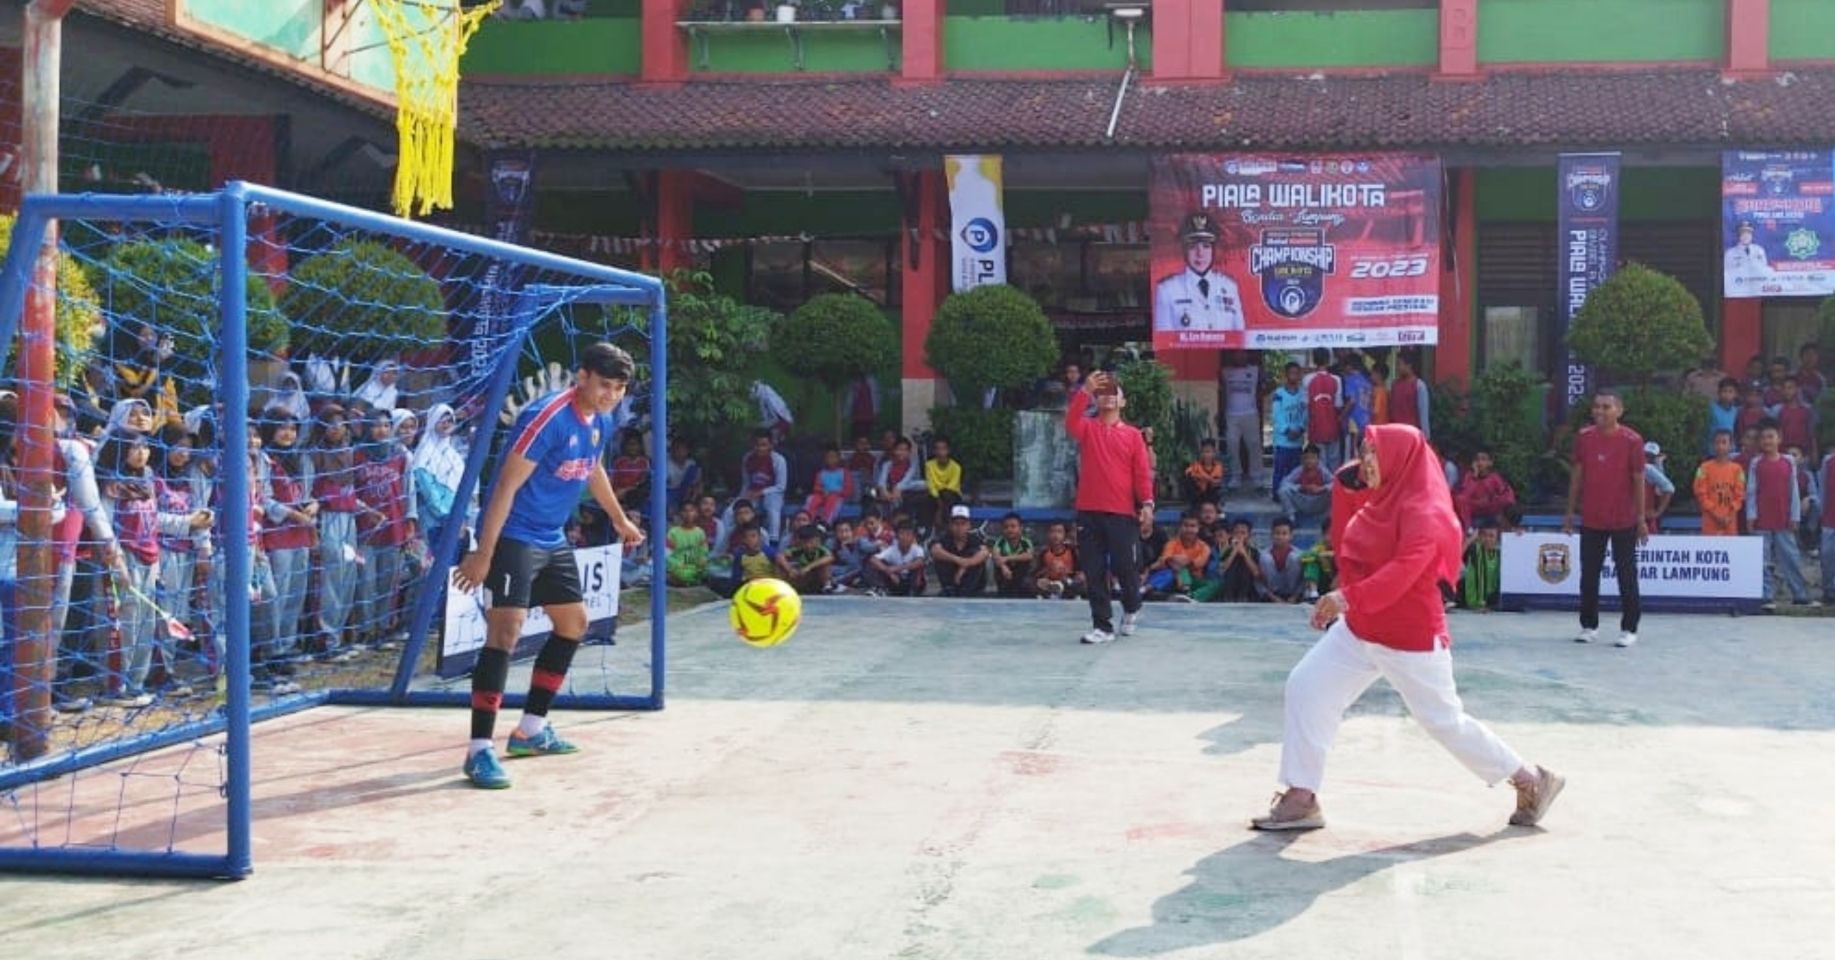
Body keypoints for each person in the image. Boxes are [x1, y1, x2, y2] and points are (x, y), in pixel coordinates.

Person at [1252, 423, 1565, 832]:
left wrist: (1344, 598)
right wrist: (1350, 490)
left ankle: (1531, 780)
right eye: (1363, 451)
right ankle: (1301, 796)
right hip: (1362, 627)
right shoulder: (1378, 494)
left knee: (1443, 720)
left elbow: (1403, 572)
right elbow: (1348, 542)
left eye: (1372, 453)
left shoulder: (1426, 511)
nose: (1364, 461)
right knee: (1307, 686)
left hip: (1410, 635)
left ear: (1399, 460)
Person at [449, 343, 643, 791]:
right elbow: (504, 488)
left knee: (573, 623)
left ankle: (531, 729)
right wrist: (483, 554)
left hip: (551, 536)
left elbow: (592, 468)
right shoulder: (547, 417)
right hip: (514, 533)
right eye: (603, 385)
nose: (610, 395)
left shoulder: (602, 419)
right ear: (582, 377)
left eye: (618, 388)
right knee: (506, 633)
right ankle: (479, 750)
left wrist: (618, 518)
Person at [1064, 370, 1154, 644]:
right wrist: (1084, 392)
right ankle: (1102, 626)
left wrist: (1147, 504)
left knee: (1125, 567)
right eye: (1103, 394)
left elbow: (1141, 472)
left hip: (1121, 512)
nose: (1109, 398)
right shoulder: (1088, 428)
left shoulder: (1132, 435)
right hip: (1089, 510)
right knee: (1093, 570)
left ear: (1122, 402)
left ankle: (1132, 605)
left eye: (1114, 393)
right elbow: (1070, 424)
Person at [1562, 389, 1646, 648]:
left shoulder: (1632, 440)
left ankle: (1629, 628)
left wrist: (1641, 518)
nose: (1599, 411)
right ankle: (1589, 625)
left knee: (1626, 575)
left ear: (1619, 410)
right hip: (1592, 518)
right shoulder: (1584, 438)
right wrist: (1569, 511)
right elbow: (1577, 475)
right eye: (1596, 406)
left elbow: (1639, 481)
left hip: (1623, 519)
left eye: (1606, 407)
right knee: (1589, 575)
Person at [309, 406, 362, 661]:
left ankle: (338, 635)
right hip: (327, 519)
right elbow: (310, 493)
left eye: (341, 423)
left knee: (347, 576)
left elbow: (350, 492)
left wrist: (368, 511)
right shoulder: (315, 456)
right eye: (331, 424)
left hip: (348, 519)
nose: (336, 428)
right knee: (330, 578)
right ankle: (326, 639)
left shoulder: (350, 455)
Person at [1746, 422, 1815, 611]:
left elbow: (1793, 490)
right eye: (1763, 438)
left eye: (1771, 436)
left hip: (1784, 519)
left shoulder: (1788, 461)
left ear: (1779, 439)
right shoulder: (1756, 463)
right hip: (1762, 520)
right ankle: (1765, 595)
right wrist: (1751, 515)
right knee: (1762, 560)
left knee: (1790, 557)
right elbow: (1752, 491)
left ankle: (1800, 594)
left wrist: (1795, 516)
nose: (1767, 441)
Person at [1153, 211, 1243, 339]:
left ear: (1213, 251)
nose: (1200, 253)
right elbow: (1165, 340)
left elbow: (1240, 336)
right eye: (1193, 247)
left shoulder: (1229, 287)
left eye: (1206, 246)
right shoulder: (1167, 290)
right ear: (1184, 250)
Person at [734, 429, 788, 544]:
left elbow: (781, 486)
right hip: (753, 493)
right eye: (757, 445)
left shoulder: (778, 460)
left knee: (772, 509)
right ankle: (736, 538)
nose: (760, 448)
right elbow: (746, 483)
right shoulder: (747, 458)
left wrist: (762, 492)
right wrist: (741, 497)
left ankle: (773, 541)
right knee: (734, 509)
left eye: (764, 445)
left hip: (773, 493)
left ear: (771, 445)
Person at [1219, 351, 1263, 491]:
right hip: (1232, 414)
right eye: (1237, 354)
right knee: (1232, 444)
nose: (1239, 356)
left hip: (1250, 413)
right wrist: (1221, 411)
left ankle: (1256, 476)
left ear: (1247, 355)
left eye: (1242, 354)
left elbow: (1270, 382)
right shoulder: (1225, 372)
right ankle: (1235, 476)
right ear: (1232, 356)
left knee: (1254, 444)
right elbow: (1221, 392)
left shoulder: (1255, 370)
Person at [1145, 514, 1211, 602]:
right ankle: (1184, 593)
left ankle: (1192, 597)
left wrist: (1182, 561)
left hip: (1195, 579)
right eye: (1185, 525)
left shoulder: (1204, 547)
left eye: (1192, 526)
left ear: (1199, 528)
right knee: (1176, 571)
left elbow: (1199, 563)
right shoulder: (1171, 544)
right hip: (1174, 579)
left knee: (1217, 584)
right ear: (1180, 527)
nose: (1189, 529)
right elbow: (1165, 560)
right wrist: (1175, 562)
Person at [1693, 430, 1746, 537]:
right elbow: (1700, 493)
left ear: (1731, 445)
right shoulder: (1704, 468)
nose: (1720, 446)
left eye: (1724, 442)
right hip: (1710, 521)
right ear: (1713, 445)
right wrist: (1715, 514)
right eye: (1717, 443)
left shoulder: (1737, 469)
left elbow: (1739, 495)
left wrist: (1729, 515)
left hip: (1729, 522)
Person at [1195, 518, 1260, 603]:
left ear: (1249, 535)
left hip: (1247, 590)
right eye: (1237, 532)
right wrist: (1234, 551)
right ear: (1232, 534)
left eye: (1243, 533)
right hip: (1228, 588)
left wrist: (1244, 554)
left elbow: (1256, 573)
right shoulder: (1226, 550)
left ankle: (1243, 598)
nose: (1239, 536)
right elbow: (1222, 570)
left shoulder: (1253, 551)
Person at [1269, 362, 1308, 506]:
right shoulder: (1279, 393)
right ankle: (1277, 494)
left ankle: (1292, 495)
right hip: (1282, 440)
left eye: (1297, 373)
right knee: (1279, 469)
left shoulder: (1303, 394)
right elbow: (1276, 414)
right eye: (1291, 373)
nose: (1294, 376)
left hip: (1297, 440)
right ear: (1286, 375)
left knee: (1295, 471)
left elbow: (1305, 413)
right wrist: (1286, 430)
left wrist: (1301, 429)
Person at [929, 504, 989, 598]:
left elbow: (984, 553)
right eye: (956, 523)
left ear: (969, 525)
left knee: (977, 561)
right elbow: (935, 550)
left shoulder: (974, 539)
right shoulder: (945, 538)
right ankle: (949, 588)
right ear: (950, 525)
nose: (959, 527)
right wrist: (959, 560)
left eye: (963, 524)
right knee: (941, 559)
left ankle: (968, 591)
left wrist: (966, 564)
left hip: (972, 586)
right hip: (952, 580)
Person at [1303, 350, 1345, 473]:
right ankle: (1333, 489)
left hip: (1315, 427)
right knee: (1334, 461)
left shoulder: (1307, 379)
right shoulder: (1336, 380)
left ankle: (1321, 488)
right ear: (1328, 360)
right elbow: (1339, 405)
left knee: (1318, 461)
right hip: (1333, 426)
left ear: (1314, 360)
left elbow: (1305, 404)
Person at [1454, 450, 1517, 530]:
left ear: (1490, 463)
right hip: (1474, 514)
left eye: (1483, 459)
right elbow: (1464, 497)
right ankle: (1468, 531)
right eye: (1477, 460)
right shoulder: (1469, 477)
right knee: (1460, 500)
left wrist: (1492, 502)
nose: (1480, 463)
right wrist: (1475, 477)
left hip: (1492, 512)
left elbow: (1507, 497)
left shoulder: (1495, 478)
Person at [872, 437, 928, 520]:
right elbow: (881, 482)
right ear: (894, 451)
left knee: (924, 485)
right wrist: (885, 491)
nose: (901, 453)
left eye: (905, 450)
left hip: (909, 491)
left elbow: (908, 480)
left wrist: (898, 487)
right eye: (899, 449)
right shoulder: (888, 464)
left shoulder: (913, 464)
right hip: (891, 492)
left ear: (909, 452)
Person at [866, 521, 927, 597]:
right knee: (876, 564)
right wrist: (889, 571)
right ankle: (881, 589)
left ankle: (912, 592)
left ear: (913, 537)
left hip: (913, 582)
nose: (904, 537)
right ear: (897, 536)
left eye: (908, 534)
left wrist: (896, 569)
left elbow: (920, 562)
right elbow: (873, 559)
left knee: (919, 567)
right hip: (897, 582)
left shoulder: (917, 549)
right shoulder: (892, 550)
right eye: (901, 534)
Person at [1278, 444, 1333, 526]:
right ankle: (1291, 519)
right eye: (1306, 458)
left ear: (1318, 460)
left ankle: (1330, 519)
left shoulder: (1323, 471)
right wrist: (1301, 487)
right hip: (1303, 502)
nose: (1309, 461)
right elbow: (1284, 483)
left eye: (1312, 458)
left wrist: (1322, 488)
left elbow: (1336, 483)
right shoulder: (1299, 470)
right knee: (1282, 491)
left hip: (1319, 502)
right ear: (1302, 459)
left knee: (1336, 491)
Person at [1457, 519, 1504, 612]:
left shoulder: (1500, 552)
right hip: (1470, 596)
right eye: (1484, 535)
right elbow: (1455, 556)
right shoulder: (1475, 549)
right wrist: (1470, 540)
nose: (1487, 539)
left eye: (1491, 536)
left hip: (1490, 597)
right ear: (1479, 536)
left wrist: (1517, 536)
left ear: (1497, 538)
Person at [776, 523, 835, 596]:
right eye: (805, 542)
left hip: (816, 578)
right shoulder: (797, 549)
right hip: (802, 577)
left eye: (811, 542)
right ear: (800, 541)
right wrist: (790, 569)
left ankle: (827, 587)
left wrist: (809, 567)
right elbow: (779, 556)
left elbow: (830, 557)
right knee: (780, 566)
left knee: (825, 566)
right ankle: (782, 588)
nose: (808, 545)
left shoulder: (821, 549)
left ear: (817, 540)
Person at [803, 444, 854, 526]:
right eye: (828, 457)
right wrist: (822, 491)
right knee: (812, 498)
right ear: (825, 459)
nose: (831, 459)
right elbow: (816, 487)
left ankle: (826, 523)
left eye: (834, 457)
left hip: (838, 497)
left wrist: (834, 493)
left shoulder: (844, 472)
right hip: (823, 495)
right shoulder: (821, 473)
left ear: (839, 458)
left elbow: (848, 490)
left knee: (832, 499)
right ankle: (806, 521)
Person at [1259, 516, 1305, 605]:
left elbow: (1303, 580)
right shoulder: (1263, 554)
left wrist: (1295, 596)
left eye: (1284, 534)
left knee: (1294, 558)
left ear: (1291, 536)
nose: (1280, 537)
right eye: (1277, 533)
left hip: (1293, 594)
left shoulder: (1299, 554)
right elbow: (1258, 581)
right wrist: (1273, 597)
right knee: (1266, 559)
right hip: (1272, 595)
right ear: (1271, 535)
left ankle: (1292, 595)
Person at [1386, 350, 1431, 440]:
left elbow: (1423, 415)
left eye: (1399, 364)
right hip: (1396, 433)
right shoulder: (1395, 385)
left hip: (1412, 435)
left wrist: (1425, 438)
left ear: (1409, 365)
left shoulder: (1419, 386)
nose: (1397, 367)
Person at [990, 512, 1036, 598]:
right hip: (1005, 574)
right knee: (998, 566)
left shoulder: (1025, 541)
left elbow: (1029, 555)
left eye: (1013, 526)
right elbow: (996, 555)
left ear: (1021, 528)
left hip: (1020, 573)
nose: (1009, 529)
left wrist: (1007, 558)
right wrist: (1004, 566)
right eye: (1006, 527)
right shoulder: (1000, 541)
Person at [923, 435, 964, 533]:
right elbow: (931, 485)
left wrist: (940, 510)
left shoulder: (956, 467)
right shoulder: (929, 465)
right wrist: (939, 504)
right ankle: (926, 530)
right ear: (934, 451)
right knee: (925, 499)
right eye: (937, 449)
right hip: (936, 497)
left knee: (947, 495)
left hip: (952, 496)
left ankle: (948, 526)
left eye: (943, 449)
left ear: (948, 451)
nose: (940, 452)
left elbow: (952, 487)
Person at [1033, 520, 1083, 599]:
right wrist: (1043, 578)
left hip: (1068, 582)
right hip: (1050, 583)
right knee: (1035, 584)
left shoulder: (1073, 551)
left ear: (1065, 535)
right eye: (1052, 532)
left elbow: (1080, 570)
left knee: (1080, 582)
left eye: (1059, 532)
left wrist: (1076, 576)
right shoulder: (1043, 553)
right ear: (1048, 534)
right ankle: (1052, 592)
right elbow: (1035, 573)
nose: (1055, 535)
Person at [665, 502, 709, 588]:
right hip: (679, 567)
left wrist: (702, 560)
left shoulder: (700, 532)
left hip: (695, 566)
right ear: (681, 514)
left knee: (709, 570)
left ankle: (690, 581)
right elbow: (667, 555)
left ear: (696, 513)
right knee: (682, 574)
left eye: (691, 510)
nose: (688, 514)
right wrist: (678, 564)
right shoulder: (673, 532)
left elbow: (704, 552)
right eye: (685, 511)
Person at [1773, 376, 1817, 463]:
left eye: (1790, 388)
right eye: (1784, 388)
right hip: (1783, 453)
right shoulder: (1777, 410)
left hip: (1804, 453)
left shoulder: (1807, 409)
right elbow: (1774, 432)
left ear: (1797, 389)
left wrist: (1814, 453)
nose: (1787, 391)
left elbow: (1812, 433)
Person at [1640, 442, 1675, 535]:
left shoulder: (1650, 470)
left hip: (1647, 520)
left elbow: (1666, 489)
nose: (1647, 459)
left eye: (1651, 457)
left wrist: (1658, 512)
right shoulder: (1648, 468)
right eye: (1646, 455)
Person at [1182, 439, 1226, 509]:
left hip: (1211, 494)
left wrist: (1204, 478)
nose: (1206, 455)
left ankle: (1215, 507)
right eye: (1204, 452)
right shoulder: (1196, 465)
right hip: (1199, 494)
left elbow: (1217, 481)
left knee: (1216, 489)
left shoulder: (1218, 466)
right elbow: (1189, 473)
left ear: (1214, 453)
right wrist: (1205, 478)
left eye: (1208, 452)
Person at [751, 380, 795, 446]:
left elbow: (774, 419)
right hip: (780, 421)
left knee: (770, 437)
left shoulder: (768, 400)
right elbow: (766, 416)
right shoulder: (764, 396)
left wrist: (760, 425)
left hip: (783, 422)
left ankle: (777, 445)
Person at [665, 436, 702, 514]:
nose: (679, 452)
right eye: (676, 449)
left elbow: (696, 481)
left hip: (685, 491)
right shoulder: (666, 463)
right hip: (669, 492)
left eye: (682, 449)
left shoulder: (691, 463)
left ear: (687, 451)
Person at [1706, 377, 1740, 455]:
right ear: (1718, 393)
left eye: (1730, 392)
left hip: (1729, 448)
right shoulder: (1711, 409)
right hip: (1713, 448)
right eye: (1724, 391)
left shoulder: (1735, 411)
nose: (1727, 394)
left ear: (1735, 394)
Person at [1819, 447, 1835, 604]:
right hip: (1830, 518)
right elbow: (1822, 488)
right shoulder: (1828, 461)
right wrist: (1822, 514)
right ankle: (1829, 591)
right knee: (1828, 555)